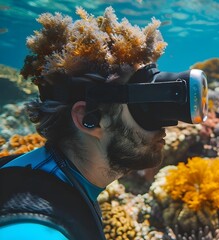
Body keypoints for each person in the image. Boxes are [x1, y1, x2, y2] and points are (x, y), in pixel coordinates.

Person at [0, 6, 208, 240]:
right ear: (89, 119)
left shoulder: (36, 176)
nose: (166, 126)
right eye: (146, 108)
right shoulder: (32, 225)